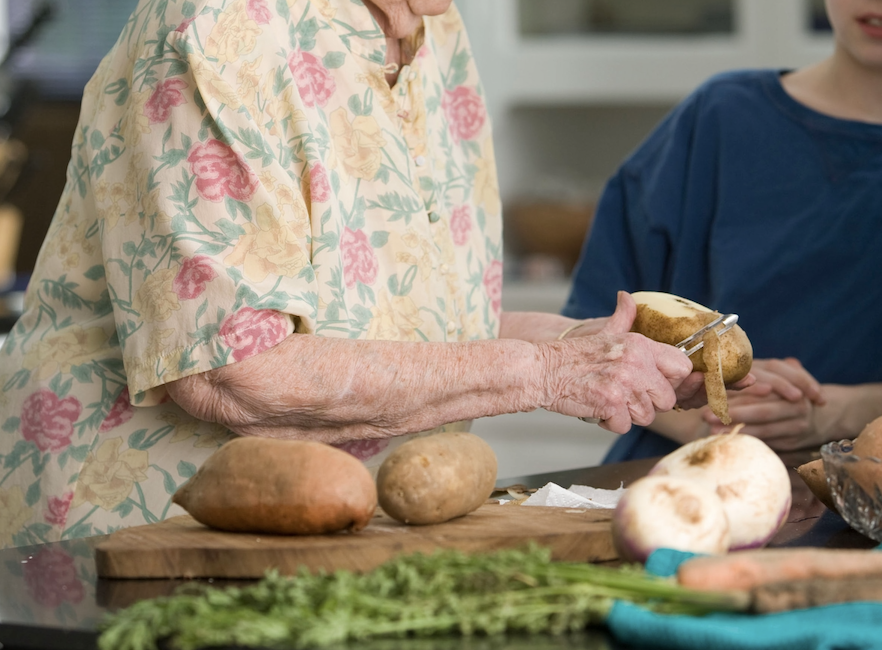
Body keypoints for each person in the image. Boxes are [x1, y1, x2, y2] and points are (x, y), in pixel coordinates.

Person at [0, 0, 723, 548]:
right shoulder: (218, 29)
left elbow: (418, 324)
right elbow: (232, 371)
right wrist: (540, 371)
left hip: (344, 544)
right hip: (137, 545)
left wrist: (599, 350)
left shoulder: (432, 28)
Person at [563, 0, 882, 464]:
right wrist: (697, 412)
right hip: (677, 476)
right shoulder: (722, 116)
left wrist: (838, 412)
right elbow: (588, 335)